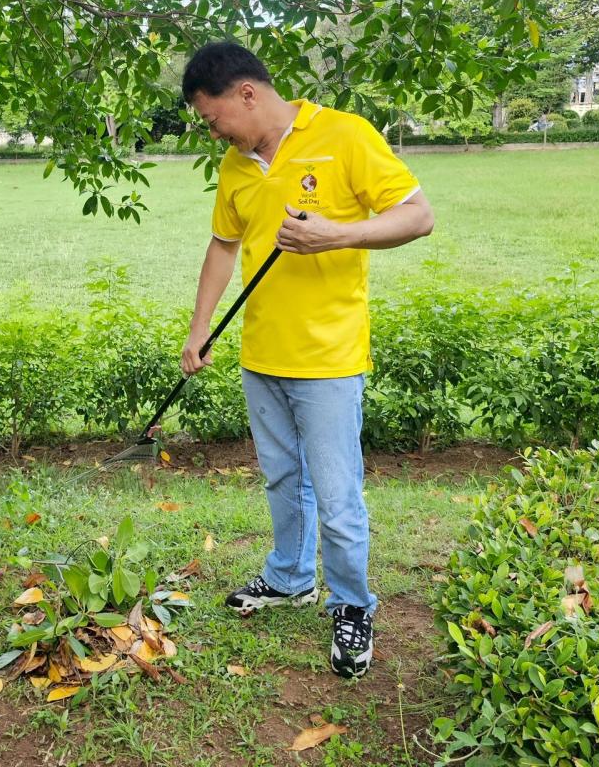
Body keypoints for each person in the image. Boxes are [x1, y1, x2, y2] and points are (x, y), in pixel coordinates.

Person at [179, 41, 435, 679]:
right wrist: (201, 328)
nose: (214, 131)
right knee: (282, 479)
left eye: (214, 118)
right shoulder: (237, 165)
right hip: (261, 352)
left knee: (337, 491)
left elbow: (418, 216)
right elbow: (222, 245)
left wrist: (335, 233)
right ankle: (290, 576)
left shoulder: (344, 135)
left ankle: (352, 604)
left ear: (246, 93)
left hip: (328, 356)